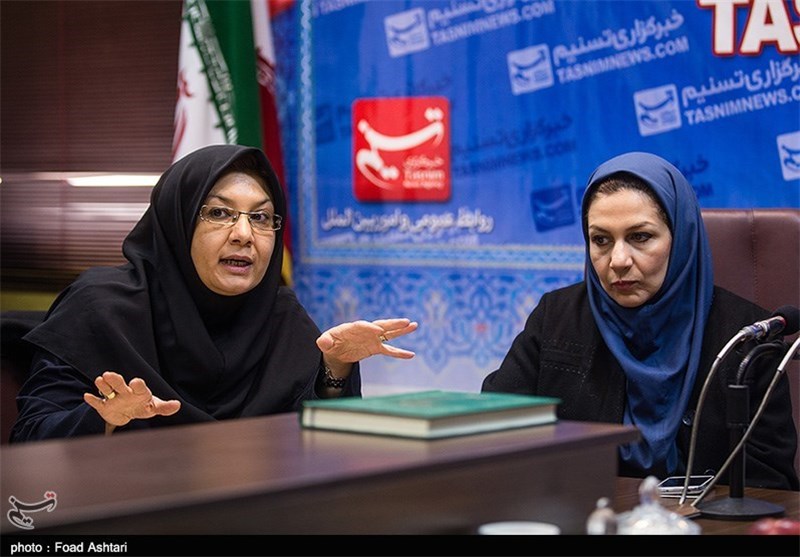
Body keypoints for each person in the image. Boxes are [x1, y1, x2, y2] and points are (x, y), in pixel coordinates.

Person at [11, 144, 418, 441]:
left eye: (261, 217)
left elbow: (322, 448)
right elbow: (30, 438)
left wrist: (335, 367)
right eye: (220, 213)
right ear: (178, 222)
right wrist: (105, 418)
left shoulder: (280, 316)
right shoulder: (98, 310)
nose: (244, 234)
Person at [482, 151, 799, 490]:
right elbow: (493, 432)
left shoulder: (747, 338)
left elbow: (770, 484)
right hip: (582, 510)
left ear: (681, 237)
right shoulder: (556, 317)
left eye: (640, 237)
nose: (618, 260)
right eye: (601, 240)